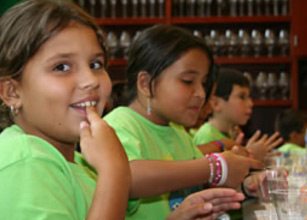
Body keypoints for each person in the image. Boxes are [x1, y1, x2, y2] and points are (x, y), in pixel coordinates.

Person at [0, 1, 246, 220]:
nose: (91, 80)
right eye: (62, 66)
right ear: (12, 92)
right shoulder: (26, 160)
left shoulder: (80, 162)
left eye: (96, 64)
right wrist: (114, 171)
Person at [104, 24, 264, 220]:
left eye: (203, 83)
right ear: (145, 83)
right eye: (188, 81)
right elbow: (126, 178)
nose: (201, 93)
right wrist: (217, 166)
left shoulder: (178, 132)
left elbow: (197, 186)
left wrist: (246, 187)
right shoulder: (118, 124)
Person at [194, 68, 283, 161]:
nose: (250, 103)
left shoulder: (230, 134)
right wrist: (250, 156)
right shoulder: (206, 135)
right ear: (216, 103)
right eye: (242, 97)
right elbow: (211, 174)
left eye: (249, 97)